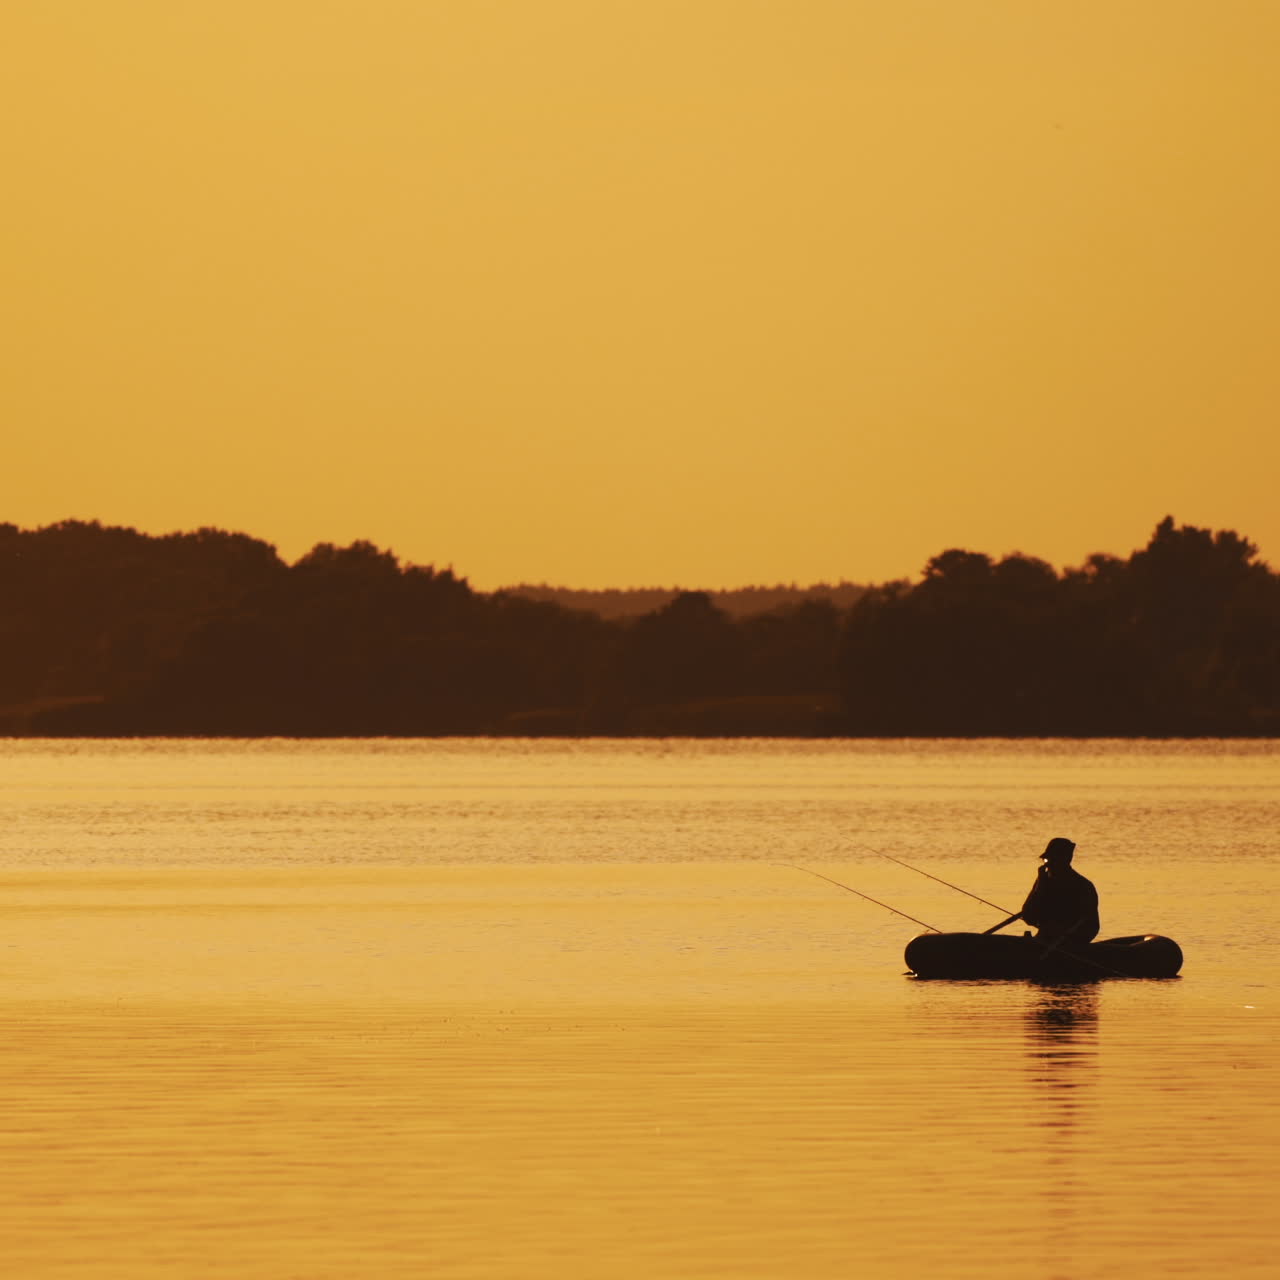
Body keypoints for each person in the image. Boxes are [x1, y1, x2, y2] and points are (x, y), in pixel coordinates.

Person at [1019, 837, 1099, 947]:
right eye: (1046, 860)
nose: (1048, 865)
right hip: (1042, 940)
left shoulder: (1083, 886)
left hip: (1069, 946)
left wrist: (1069, 940)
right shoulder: (1042, 882)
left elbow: (1092, 926)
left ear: (1065, 860)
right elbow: (1028, 916)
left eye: (1053, 860)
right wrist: (1040, 887)